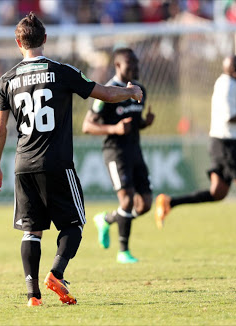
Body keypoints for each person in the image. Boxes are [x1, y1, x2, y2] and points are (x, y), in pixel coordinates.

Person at [0, 13, 143, 306]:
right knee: (74, 224)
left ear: (18, 42)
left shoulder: (6, 80)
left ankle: (33, 295)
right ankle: (56, 273)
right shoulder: (61, 71)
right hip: (57, 162)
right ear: (45, 39)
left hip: (23, 165)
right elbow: (105, 93)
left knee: (31, 230)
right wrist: (130, 92)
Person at [156, 55, 236, 245]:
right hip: (227, 144)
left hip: (221, 144)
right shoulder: (227, 86)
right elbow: (230, 116)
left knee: (217, 193)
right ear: (235, 71)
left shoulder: (229, 84)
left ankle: (169, 202)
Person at [82, 48, 155, 264]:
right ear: (117, 66)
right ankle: (123, 251)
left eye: (136, 65)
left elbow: (133, 123)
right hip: (115, 152)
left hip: (135, 151)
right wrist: (114, 129)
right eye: (130, 65)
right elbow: (87, 126)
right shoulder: (106, 92)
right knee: (127, 199)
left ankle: (106, 219)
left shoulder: (140, 89)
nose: (135, 69)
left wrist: (145, 123)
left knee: (145, 204)